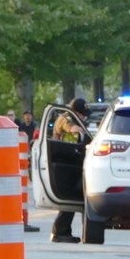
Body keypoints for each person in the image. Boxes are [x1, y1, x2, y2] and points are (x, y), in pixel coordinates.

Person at [50, 98, 89, 243]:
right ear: (75, 112)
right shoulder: (65, 118)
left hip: (70, 162)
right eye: (81, 114)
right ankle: (59, 232)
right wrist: (81, 132)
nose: (83, 117)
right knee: (69, 198)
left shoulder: (73, 118)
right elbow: (73, 130)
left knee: (72, 198)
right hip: (62, 162)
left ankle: (63, 231)